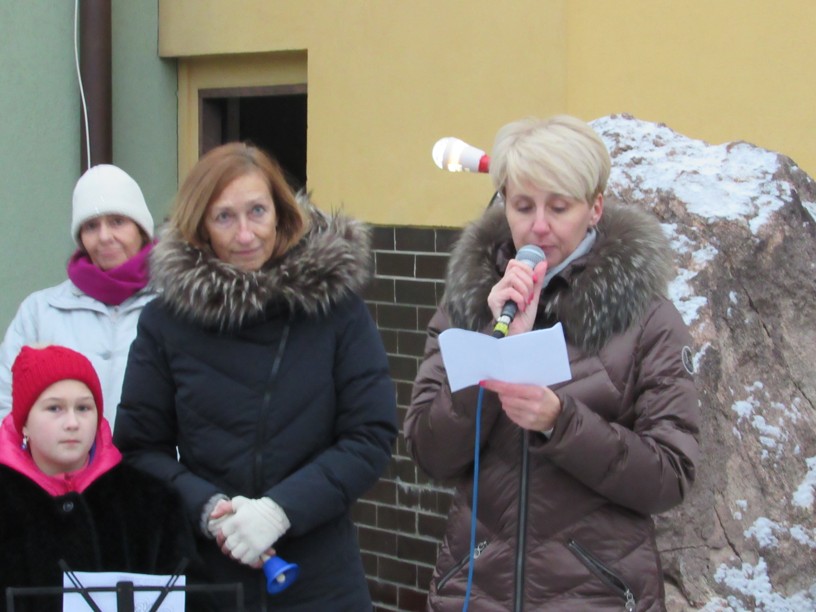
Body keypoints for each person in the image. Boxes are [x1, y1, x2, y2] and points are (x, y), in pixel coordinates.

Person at [404, 115, 701, 611]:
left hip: (597, 594)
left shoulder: (648, 318)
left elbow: (670, 476)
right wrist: (492, 349)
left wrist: (560, 423)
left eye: (559, 207)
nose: (538, 226)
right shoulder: (468, 304)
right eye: (523, 206)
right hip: (478, 591)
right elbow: (429, 453)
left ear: (594, 208)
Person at [113, 142, 399, 611]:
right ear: (200, 226)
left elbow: (370, 434)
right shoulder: (166, 323)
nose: (245, 234)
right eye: (224, 217)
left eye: (257, 211)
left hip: (322, 580)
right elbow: (139, 448)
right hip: (210, 581)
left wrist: (280, 510)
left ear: (281, 213)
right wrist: (208, 510)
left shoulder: (335, 308)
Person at [0, 344, 195, 611]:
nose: (72, 423)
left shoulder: (152, 500)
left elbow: (192, 596)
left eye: (83, 408)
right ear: (24, 422)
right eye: (54, 408)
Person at [0, 164, 156, 428]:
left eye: (117, 221)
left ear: (141, 230)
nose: (104, 237)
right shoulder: (40, 311)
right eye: (91, 226)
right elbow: (6, 403)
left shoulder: (177, 306)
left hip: (152, 457)